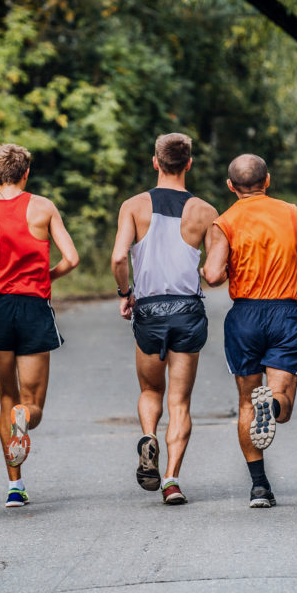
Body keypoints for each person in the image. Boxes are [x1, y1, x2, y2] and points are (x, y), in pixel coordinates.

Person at [0, 143, 79, 509]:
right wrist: (45, 276)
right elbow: (72, 257)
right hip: (35, 308)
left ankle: (15, 486)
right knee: (31, 403)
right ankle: (25, 418)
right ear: (26, 173)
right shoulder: (43, 207)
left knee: (6, 397)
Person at [203, 154, 297, 508]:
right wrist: (295, 275)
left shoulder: (224, 221)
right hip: (285, 312)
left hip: (244, 315)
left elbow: (213, 276)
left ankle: (259, 487)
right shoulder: (293, 213)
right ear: (267, 180)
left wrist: (214, 266)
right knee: (283, 404)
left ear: (231, 186)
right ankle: (271, 407)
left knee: (246, 399)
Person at [110, 133, 219, 506]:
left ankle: (148, 438)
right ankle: (172, 480)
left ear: (155, 162)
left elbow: (119, 258)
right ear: (189, 164)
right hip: (187, 310)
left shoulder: (134, 205)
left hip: (150, 311)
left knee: (150, 391)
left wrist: (126, 295)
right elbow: (216, 268)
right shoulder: (206, 211)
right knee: (180, 402)